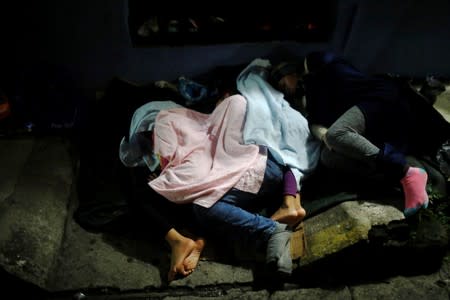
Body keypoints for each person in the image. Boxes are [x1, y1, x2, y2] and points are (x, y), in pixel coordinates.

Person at [273, 50, 450, 217]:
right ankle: (398, 181)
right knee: (328, 157)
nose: (284, 88)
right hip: (361, 117)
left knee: (337, 134)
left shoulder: (314, 63)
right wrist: (322, 132)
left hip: (375, 98)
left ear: (290, 71)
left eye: (283, 82)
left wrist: (310, 83)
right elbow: (316, 121)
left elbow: (339, 75)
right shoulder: (304, 97)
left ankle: (406, 172)